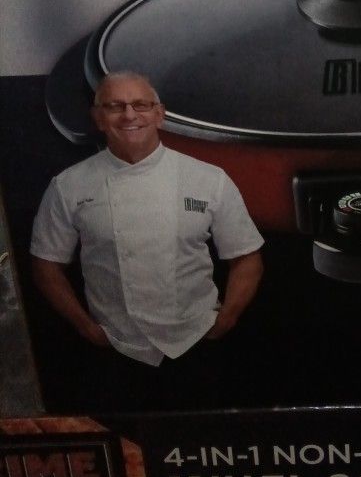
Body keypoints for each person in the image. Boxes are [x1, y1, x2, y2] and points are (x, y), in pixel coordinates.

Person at [30, 70, 263, 409]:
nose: (129, 115)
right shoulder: (69, 186)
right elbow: (45, 265)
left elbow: (246, 256)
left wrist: (228, 317)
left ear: (159, 114)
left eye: (140, 105)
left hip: (196, 343)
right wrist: (86, 327)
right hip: (117, 349)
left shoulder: (209, 179)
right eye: (115, 106)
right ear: (98, 118)